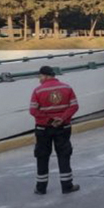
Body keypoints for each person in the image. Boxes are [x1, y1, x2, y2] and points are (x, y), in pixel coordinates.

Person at [29, 66, 80, 195]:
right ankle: (67, 185)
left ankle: (41, 188)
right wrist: (61, 119)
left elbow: (33, 110)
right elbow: (74, 106)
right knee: (64, 154)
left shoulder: (38, 91)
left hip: (43, 129)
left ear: (45, 76)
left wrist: (49, 120)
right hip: (63, 127)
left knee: (42, 156)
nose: (39, 80)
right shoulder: (67, 88)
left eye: (40, 77)